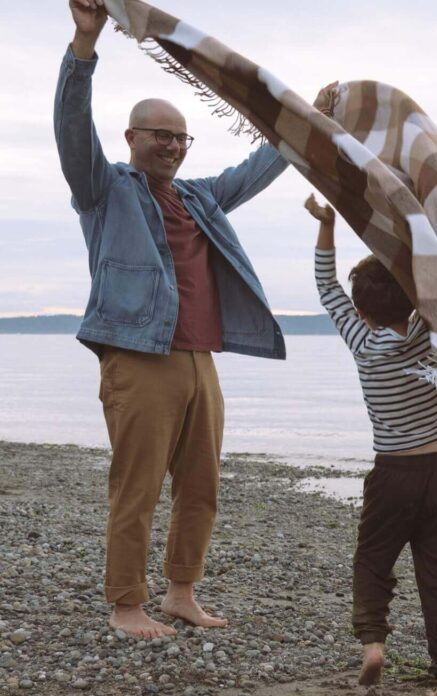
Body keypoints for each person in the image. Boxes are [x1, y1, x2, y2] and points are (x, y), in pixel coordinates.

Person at [55, 0, 290, 639]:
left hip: (199, 358)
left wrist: (302, 124)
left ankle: (181, 593)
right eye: (160, 134)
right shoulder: (104, 192)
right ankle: (126, 603)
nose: (173, 145)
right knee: (137, 488)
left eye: (181, 137)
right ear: (132, 139)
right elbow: (72, 127)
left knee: (201, 486)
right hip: (138, 357)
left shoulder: (199, 196)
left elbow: (260, 166)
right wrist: (85, 43)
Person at [303, 190, 437, 696]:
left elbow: (327, 287)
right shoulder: (434, 334)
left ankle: (374, 644)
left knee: (373, 561)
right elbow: (435, 281)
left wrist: (327, 224)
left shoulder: (363, 342)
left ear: (362, 310)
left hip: (392, 473)